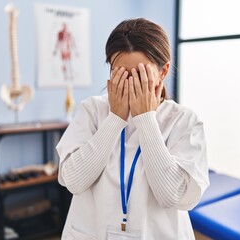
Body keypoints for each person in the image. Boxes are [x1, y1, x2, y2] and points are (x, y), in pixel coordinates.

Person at [56, 18, 209, 240]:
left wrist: (145, 118)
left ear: (163, 71)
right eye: (120, 73)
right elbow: (73, 181)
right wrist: (115, 119)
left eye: (139, 74)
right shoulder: (92, 111)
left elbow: (174, 196)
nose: (130, 83)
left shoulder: (184, 121)